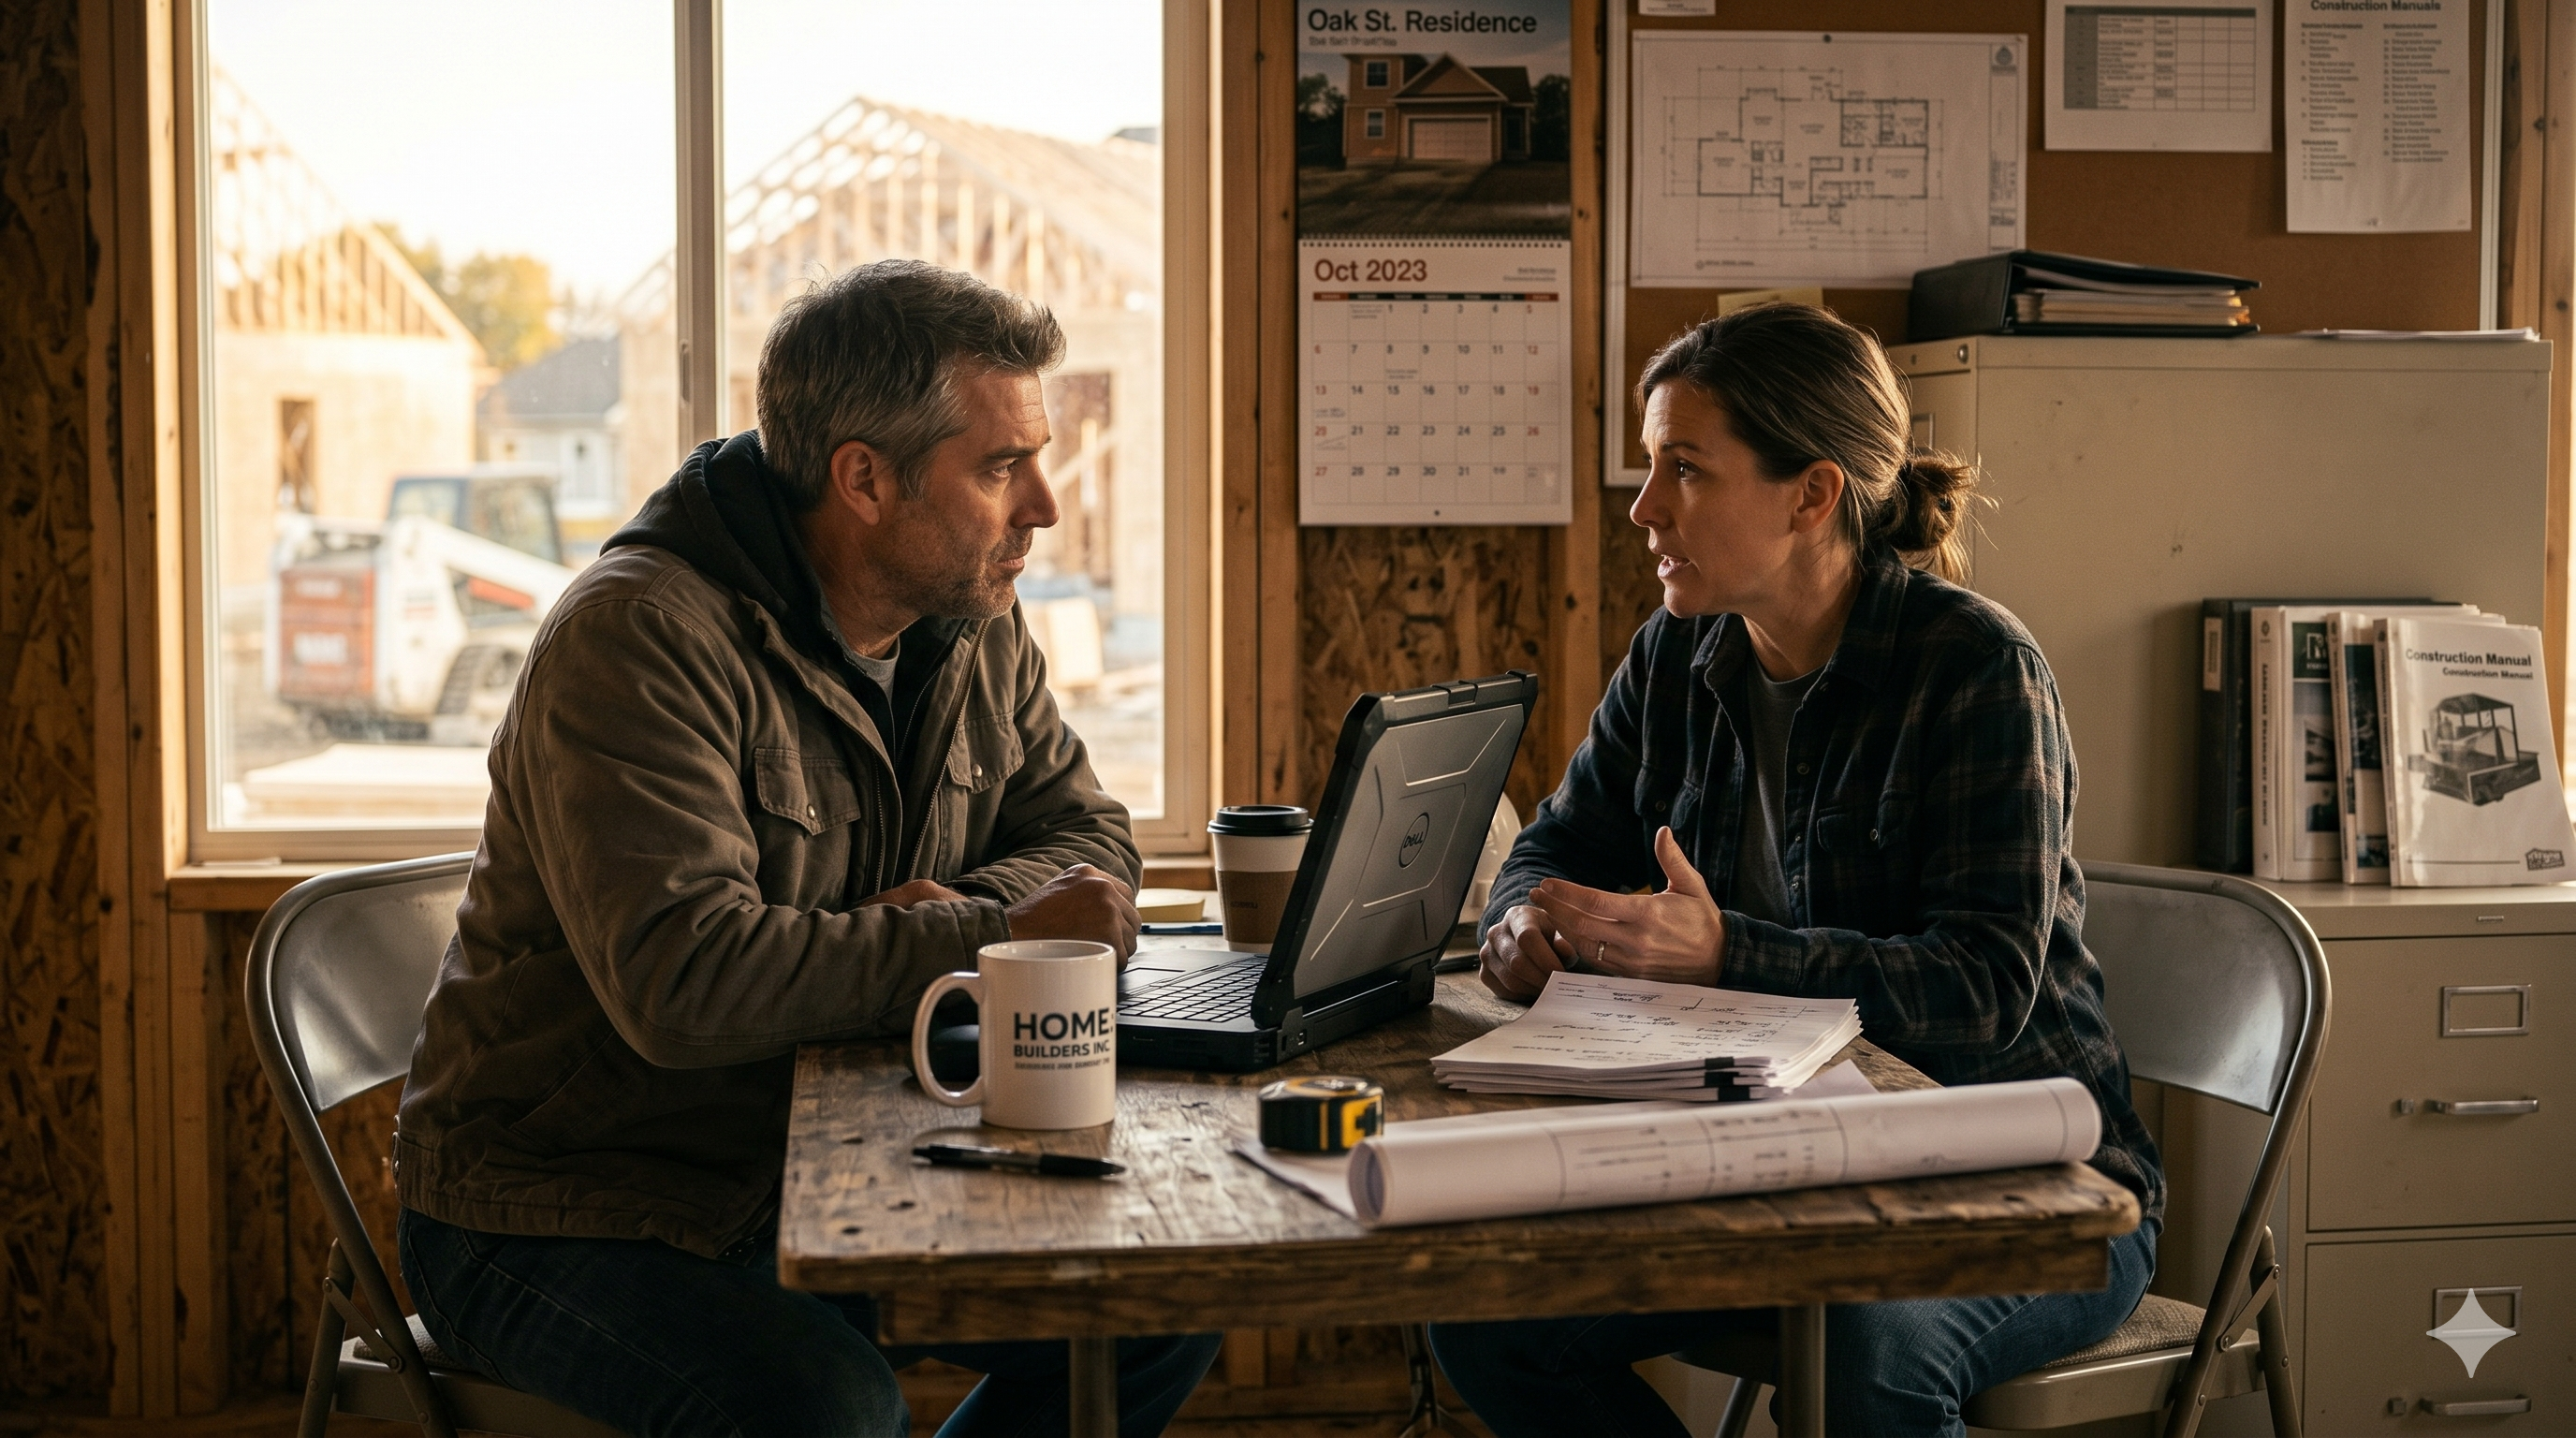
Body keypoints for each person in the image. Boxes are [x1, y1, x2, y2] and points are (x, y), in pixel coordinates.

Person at [394, 260, 1221, 1437]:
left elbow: (1087, 836)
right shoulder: (635, 639)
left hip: (835, 1152)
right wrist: (987, 936)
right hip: (568, 1200)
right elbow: (686, 986)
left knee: (1156, 1302)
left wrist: (952, 921)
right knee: (827, 1409)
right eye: (1000, 465)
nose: (1043, 501)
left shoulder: (970, 609)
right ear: (865, 479)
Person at [1426, 303, 2163, 1438]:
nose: (1644, 508)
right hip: (1773, 1163)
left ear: (1812, 495)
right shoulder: (1676, 652)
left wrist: (1728, 954)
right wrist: (1522, 917)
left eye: (1686, 470)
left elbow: (1979, 991)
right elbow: (1560, 841)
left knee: (1870, 1357)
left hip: (2024, 1179)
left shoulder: (1974, 671)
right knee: (1485, 1321)